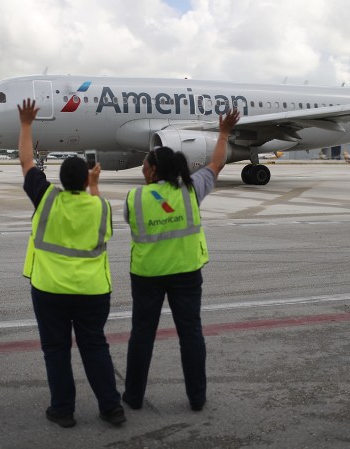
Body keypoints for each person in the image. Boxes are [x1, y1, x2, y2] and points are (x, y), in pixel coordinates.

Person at [121, 108, 240, 412]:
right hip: (187, 274)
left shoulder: (134, 199)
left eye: (145, 164)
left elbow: (132, 223)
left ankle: (133, 398)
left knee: (141, 337)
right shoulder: (192, 189)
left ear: (151, 171)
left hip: (147, 276)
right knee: (191, 336)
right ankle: (197, 398)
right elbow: (216, 163)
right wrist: (224, 132)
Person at [17, 98, 125, 428]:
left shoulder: (47, 198)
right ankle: (111, 408)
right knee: (95, 347)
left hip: (50, 290)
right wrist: (95, 185)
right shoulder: (101, 207)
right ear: (87, 180)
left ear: (60, 180)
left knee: (56, 351)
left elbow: (25, 163)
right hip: (92, 292)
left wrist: (25, 125)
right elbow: (98, 217)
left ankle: (63, 410)